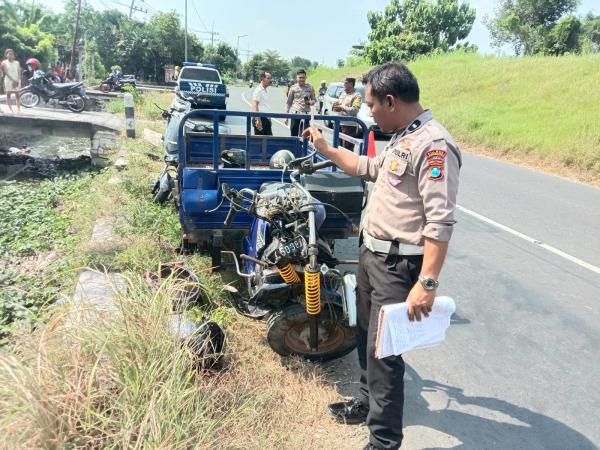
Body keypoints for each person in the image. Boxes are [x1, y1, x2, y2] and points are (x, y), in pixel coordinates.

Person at [302, 62, 462, 450]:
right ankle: (365, 402)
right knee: (365, 339)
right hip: (372, 257)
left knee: (385, 356)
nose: (367, 110)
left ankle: (384, 442)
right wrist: (325, 147)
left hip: (397, 264)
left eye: (371, 104)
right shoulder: (405, 136)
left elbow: (439, 223)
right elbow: (368, 167)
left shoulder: (434, 145)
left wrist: (426, 283)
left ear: (391, 101)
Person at [332, 76, 362, 150]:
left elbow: (355, 110)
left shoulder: (357, 95)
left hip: (349, 126)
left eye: (345, 83)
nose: (343, 85)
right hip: (339, 123)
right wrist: (335, 107)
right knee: (337, 147)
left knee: (347, 149)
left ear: (351, 84)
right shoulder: (343, 94)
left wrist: (342, 108)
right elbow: (339, 106)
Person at [284, 69, 315, 137]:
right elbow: (288, 103)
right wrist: (286, 117)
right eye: (300, 77)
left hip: (306, 115)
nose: (302, 79)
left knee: (305, 136)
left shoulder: (310, 87)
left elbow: (314, 100)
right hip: (295, 114)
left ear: (306, 78)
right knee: (293, 136)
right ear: (296, 78)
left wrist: (309, 103)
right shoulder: (293, 88)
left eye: (303, 77)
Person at [251, 71, 273, 136]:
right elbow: (255, 105)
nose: (270, 80)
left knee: (269, 141)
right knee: (260, 142)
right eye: (268, 78)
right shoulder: (258, 90)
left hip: (266, 119)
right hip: (260, 119)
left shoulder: (265, 90)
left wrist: (269, 119)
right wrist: (258, 119)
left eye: (270, 78)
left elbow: (266, 106)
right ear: (262, 79)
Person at [1, 49, 21, 113]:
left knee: (17, 95)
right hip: (8, 80)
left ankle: (18, 109)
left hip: (17, 80)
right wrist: (13, 80)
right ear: (6, 55)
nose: (11, 55)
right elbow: (6, 72)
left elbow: (19, 72)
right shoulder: (4, 62)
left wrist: (18, 80)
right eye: (9, 54)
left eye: (12, 54)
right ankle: (10, 109)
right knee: (8, 95)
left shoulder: (17, 62)